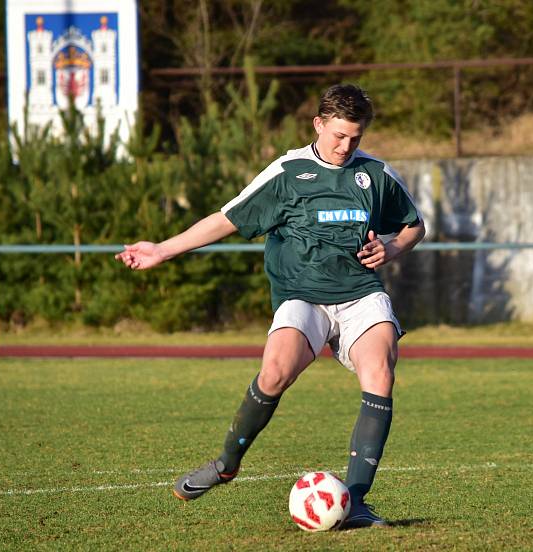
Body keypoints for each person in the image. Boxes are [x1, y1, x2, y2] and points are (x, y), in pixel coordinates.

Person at [115, 83, 425, 528]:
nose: (346, 145)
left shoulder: (375, 174)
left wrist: (392, 249)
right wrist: (163, 249)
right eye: (338, 135)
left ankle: (355, 501)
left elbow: (415, 226)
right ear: (319, 124)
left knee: (380, 372)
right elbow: (227, 218)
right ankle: (226, 464)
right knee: (274, 372)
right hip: (301, 295)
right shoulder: (287, 172)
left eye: (355, 137)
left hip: (360, 293)